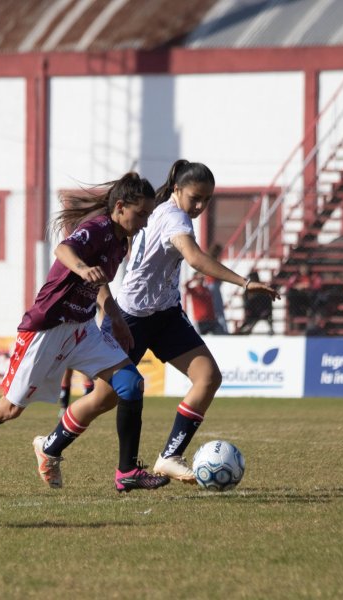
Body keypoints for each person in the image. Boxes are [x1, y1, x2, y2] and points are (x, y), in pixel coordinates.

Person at [0, 172, 170, 493]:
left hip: (83, 328)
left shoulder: (120, 241)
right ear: (119, 207)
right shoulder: (98, 228)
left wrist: (114, 317)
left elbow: (99, 282)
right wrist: (82, 268)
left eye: (148, 214)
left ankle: (126, 471)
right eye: (140, 213)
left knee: (129, 383)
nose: (144, 222)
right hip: (47, 328)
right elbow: (64, 250)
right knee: (9, 409)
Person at [116, 159, 279, 483]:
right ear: (177, 189)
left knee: (207, 377)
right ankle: (53, 443)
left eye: (207, 200)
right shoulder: (174, 216)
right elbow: (194, 258)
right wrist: (244, 283)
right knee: (106, 397)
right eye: (196, 198)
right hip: (132, 314)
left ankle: (170, 455)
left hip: (164, 313)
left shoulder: (163, 211)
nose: (201, 206)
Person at [205, 243, 229, 333]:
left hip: (212, 284)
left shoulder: (209, 260)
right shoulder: (213, 261)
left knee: (217, 309)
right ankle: (224, 331)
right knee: (218, 309)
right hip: (213, 284)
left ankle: (220, 329)